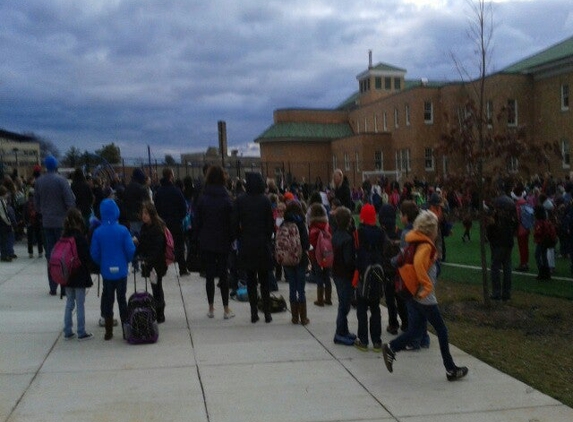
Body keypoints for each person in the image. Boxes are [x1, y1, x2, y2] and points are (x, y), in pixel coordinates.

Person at [382, 210, 469, 381]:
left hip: (413, 295)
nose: (438, 231)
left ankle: (391, 348)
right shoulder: (426, 246)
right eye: (436, 228)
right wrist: (427, 286)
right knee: (442, 331)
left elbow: (396, 261)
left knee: (415, 330)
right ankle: (451, 369)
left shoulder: (414, 243)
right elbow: (418, 265)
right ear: (430, 230)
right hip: (425, 297)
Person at [90, 198, 136, 340]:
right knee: (122, 300)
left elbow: (94, 253)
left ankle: (108, 331)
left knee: (108, 300)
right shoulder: (123, 230)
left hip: (107, 271)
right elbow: (130, 250)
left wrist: (102, 263)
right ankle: (125, 329)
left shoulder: (98, 232)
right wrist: (127, 261)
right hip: (121, 270)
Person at [233, 172, 275, 323]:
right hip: (262, 242)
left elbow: (235, 222)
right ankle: (267, 312)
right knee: (264, 280)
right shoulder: (265, 201)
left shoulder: (241, 200)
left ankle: (253, 312)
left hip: (247, 242)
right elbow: (270, 223)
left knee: (251, 280)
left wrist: (240, 236)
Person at [195, 165, 235, 320]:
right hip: (223, 240)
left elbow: (197, 221)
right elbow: (232, 222)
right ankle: (226, 308)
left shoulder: (203, 198)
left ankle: (211, 308)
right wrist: (231, 238)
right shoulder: (227, 198)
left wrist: (197, 238)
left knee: (210, 275)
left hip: (206, 240)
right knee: (223, 275)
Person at [34, 155, 76, 296]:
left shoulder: (39, 182)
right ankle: (64, 285)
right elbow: (70, 202)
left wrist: (44, 212)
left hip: (46, 221)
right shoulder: (61, 181)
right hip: (61, 222)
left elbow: (36, 204)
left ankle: (53, 286)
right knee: (63, 253)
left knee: (50, 255)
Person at [353, 204, 385, 352]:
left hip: (363, 274)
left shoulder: (359, 232)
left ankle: (364, 340)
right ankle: (377, 341)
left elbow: (356, 251)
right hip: (377, 273)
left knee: (361, 308)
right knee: (375, 308)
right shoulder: (380, 232)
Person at [61, 208, 94, 341]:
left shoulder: (64, 237)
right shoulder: (80, 238)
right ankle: (81, 331)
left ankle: (68, 330)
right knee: (80, 303)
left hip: (67, 274)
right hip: (79, 274)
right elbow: (87, 256)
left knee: (69, 303)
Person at [135, 201, 168, 323]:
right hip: (149, 263)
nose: (144, 216)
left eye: (146, 213)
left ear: (152, 214)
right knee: (155, 287)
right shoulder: (145, 227)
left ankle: (160, 312)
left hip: (156, 264)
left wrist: (148, 259)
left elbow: (158, 249)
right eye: (143, 213)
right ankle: (157, 310)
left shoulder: (157, 229)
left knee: (157, 287)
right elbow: (143, 244)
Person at [154, 168, 189, 276]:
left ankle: (161, 268)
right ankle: (182, 269)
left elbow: (156, 208)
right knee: (179, 245)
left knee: (162, 246)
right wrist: (179, 218)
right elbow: (184, 208)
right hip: (175, 222)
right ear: (171, 176)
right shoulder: (176, 191)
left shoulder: (158, 192)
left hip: (163, 223)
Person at [282, 199, 311, 325]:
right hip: (300, 259)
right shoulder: (301, 224)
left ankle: (294, 317)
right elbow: (306, 244)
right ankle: (303, 318)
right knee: (301, 288)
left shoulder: (284, 223)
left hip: (288, 259)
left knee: (292, 287)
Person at [331, 206, 357, 345]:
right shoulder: (347, 239)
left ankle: (344, 330)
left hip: (336, 273)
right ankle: (339, 332)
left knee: (343, 303)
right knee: (344, 305)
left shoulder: (335, 235)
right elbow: (348, 260)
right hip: (345, 275)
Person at [486, 194, 518, 301]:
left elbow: (490, 230)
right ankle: (506, 293)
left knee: (495, 268)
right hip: (509, 243)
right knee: (507, 267)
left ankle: (496, 293)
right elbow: (515, 228)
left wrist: (491, 238)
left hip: (498, 244)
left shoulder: (496, 217)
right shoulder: (512, 217)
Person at [308, 203, 332, 307]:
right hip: (328, 254)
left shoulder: (313, 228)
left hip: (316, 256)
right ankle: (328, 298)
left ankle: (320, 299)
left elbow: (311, 244)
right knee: (327, 276)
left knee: (319, 277)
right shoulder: (327, 226)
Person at [533, 204, 556, 281]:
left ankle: (541, 271)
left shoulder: (539, 222)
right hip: (546, 241)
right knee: (544, 256)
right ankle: (547, 273)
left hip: (541, 241)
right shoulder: (546, 221)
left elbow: (538, 233)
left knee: (537, 255)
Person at [23, 189, 44, 258]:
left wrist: (25, 222)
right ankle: (40, 252)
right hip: (37, 222)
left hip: (29, 222)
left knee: (30, 239)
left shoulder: (26, 203)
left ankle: (30, 253)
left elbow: (25, 214)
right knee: (39, 238)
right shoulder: (38, 202)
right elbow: (40, 212)